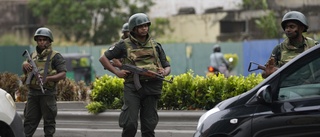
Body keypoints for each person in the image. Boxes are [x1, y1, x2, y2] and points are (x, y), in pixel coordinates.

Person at [99, 13, 171, 137]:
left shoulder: (156, 45)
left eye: (146, 25)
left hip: (152, 87)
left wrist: (164, 72)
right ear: (134, 28)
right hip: (133, 87)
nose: (144, 28)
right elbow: (103, 58)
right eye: (141, 26)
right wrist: (117, 72)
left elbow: (167, 65)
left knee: (149, 126)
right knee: (130, 124)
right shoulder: (123, 44)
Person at [22, 27, 67, 137]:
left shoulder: (55, 56)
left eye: (44, 40)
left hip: (47, 93)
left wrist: (48, 79)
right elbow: (26, 73)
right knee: (28, 122)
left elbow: (63, 74)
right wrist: (25, 65)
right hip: (33, 94)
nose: (41, 42)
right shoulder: (32, 56)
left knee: (49, 124)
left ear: (49, 41)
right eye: (39, 40)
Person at [262, 11, 318, 78]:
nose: (288, 30)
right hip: (286, 88)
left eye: (292, 27)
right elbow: (265, 73)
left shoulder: (313, 46)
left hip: (309, 87)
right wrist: (269, 72)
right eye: (286, 27)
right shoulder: (279, 49)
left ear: (302, 28)